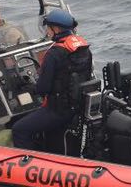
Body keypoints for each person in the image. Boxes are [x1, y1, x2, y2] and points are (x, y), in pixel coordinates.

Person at [11, 8, 93, 151]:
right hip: (78, 107)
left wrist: (28, 87)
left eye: (47, 28)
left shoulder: (54, 53)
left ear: (55, 29)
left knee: (19, 129)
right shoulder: (83, 48)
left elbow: (43, 88)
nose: (47, 32)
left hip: (58, 111)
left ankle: (30, 166)